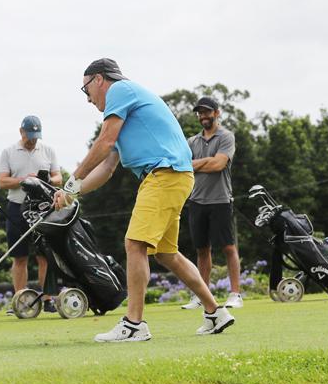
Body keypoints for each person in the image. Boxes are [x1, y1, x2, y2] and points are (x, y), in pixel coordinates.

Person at [54, 58, 234, 342]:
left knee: (135, 244)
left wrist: (71, 181)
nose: (88, 98)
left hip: (164, 174)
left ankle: (134, 324)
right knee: (166, 254)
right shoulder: (123, 114)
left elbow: (104, 142)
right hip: (174, 176)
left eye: (86, 89)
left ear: (99, 79)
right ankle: (215, 313)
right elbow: (106, 168)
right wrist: (72, 193)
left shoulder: (119, 90)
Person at [181, 97, 243, 310]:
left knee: (228, 247)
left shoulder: (226, 136)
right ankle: (202, 295)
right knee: (202, 249)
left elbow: (218, 165)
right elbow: (184, 165)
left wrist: (197, 164)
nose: (203, 116)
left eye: (207, 112)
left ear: (217, 113)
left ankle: (235, 294)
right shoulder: (191, 141)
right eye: (200, 113)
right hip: (196, 200)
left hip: (221, 200)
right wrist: (206, 161)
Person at [0, 115, 62, 312]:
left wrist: (45, 181)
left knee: (44, 256)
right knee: (20, 257)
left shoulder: (48, 150)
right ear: (21, 132)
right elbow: (2, 181)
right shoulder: (8, 152)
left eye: (36, 136)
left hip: (42, 209)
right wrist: (25, 180)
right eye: (29, 136)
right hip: (17, 208)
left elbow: (58, 177)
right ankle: (20, 301)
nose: (33, 140)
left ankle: (48, 300)